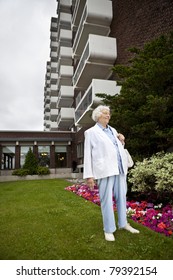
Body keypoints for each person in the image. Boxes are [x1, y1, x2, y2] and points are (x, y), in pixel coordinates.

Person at [83, 105, 139, 241]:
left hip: (119, 169)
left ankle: (123, 223)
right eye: (105, 113)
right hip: (104, 170)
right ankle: (108, 229)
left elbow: (116, 148)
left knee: (122, 197)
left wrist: (122, 141)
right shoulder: (90, 132)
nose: (108, 115)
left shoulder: (113, 130)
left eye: (109, 113)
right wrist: (89, 175)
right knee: (106, 200)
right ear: (98, 116)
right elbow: (87, 155)